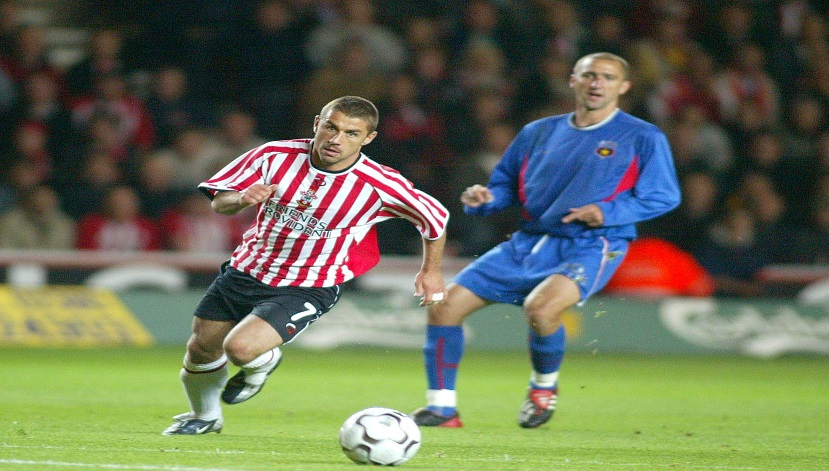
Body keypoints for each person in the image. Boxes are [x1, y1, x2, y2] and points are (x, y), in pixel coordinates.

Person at [412, 52, 680, 429]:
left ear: (624, 87)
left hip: (593, 243)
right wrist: (485, 198)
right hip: (529, 241)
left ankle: (543, 388)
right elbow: (506, 185)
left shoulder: (642, 136)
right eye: (589, 75)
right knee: (443, 307)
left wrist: (607, 212)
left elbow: (664, 195)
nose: (597, 83)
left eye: (607, 77)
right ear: (573, 81)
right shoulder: (537, 132)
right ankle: (442, 409)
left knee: (540, 309)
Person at [163, 96, 449, 435]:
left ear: (368, 138)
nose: (336, 139)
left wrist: (431, 271)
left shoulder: (379, 183)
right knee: (201, 348)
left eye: (351, 133)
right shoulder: (274, 155)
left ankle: (263, 362)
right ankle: (205, 417)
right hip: (247, 268)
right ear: (317, 123)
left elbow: (435, 218)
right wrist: (241, 199)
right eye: (331, 127)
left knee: (239, 348)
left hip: (308, 284)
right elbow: (220, 200)